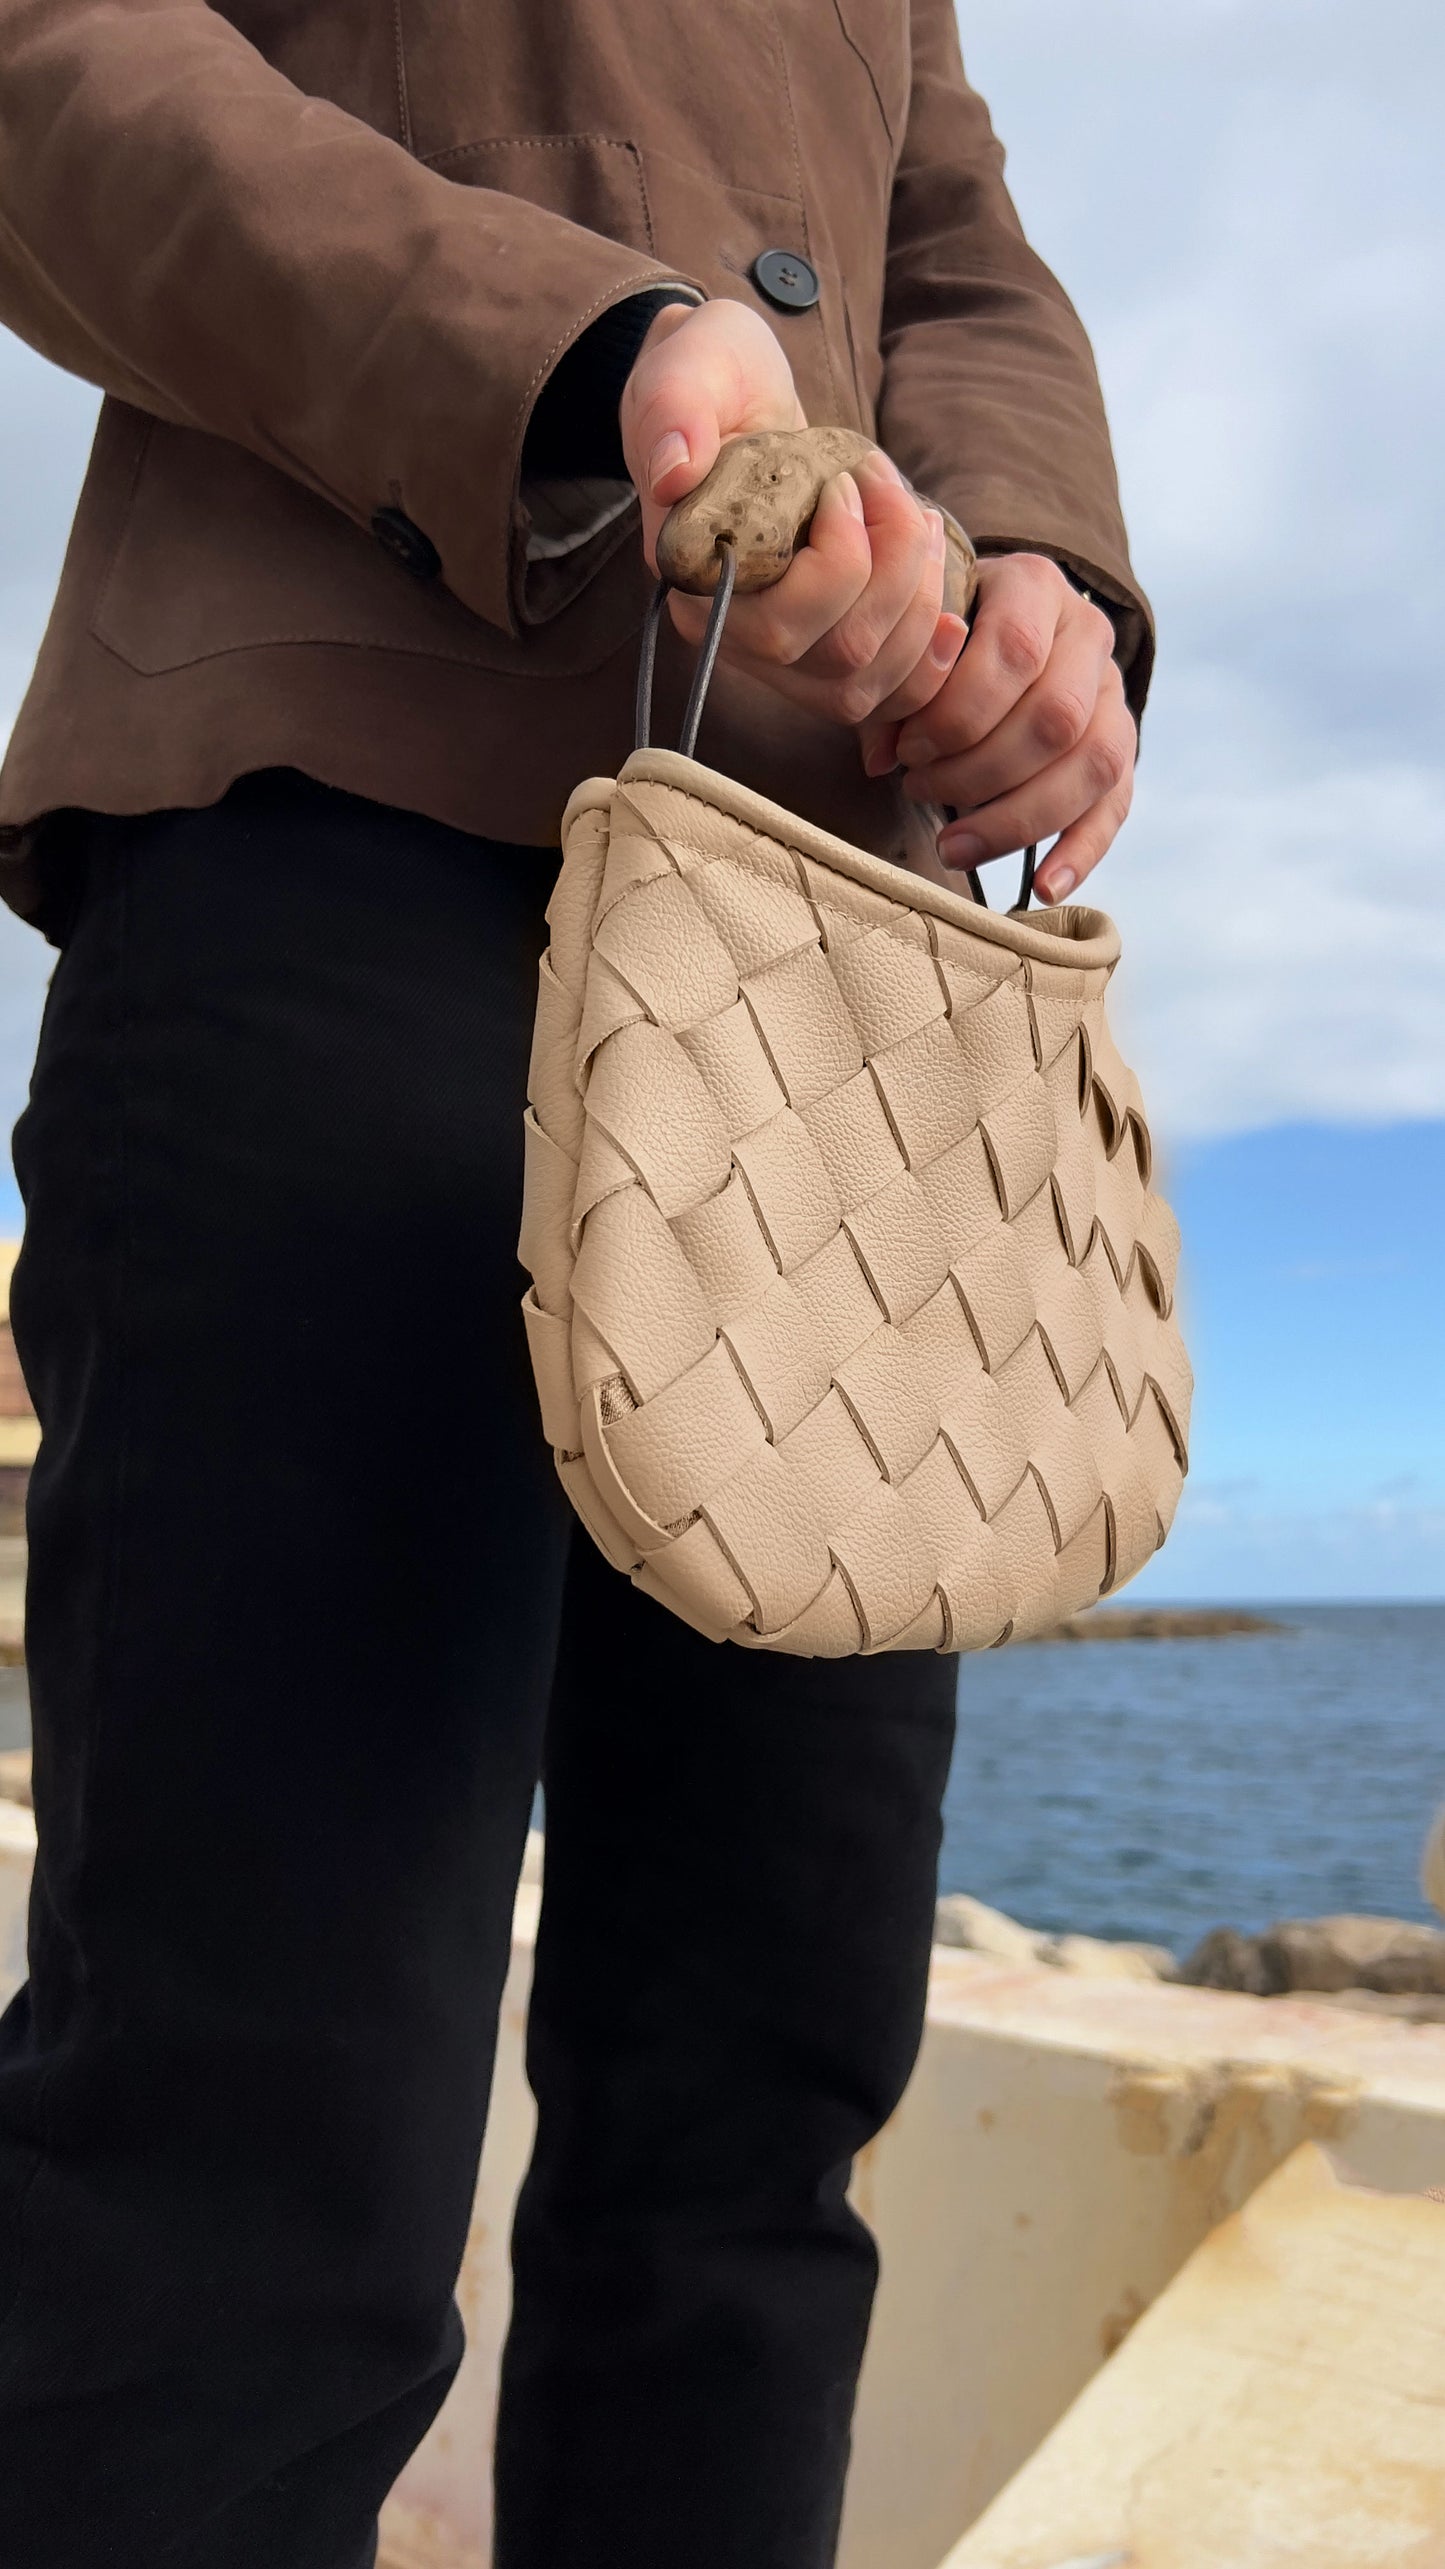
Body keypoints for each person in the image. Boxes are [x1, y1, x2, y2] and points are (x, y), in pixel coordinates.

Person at [0, 4, 1151, 2563]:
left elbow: (951, 240)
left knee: (758, 2137)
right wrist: (586, 346)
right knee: (246, 2167)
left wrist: (1047, 567)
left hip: (841, 1004)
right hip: (331, 847)